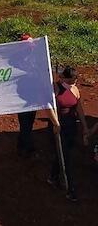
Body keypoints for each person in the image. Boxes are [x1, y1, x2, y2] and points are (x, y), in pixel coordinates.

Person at [48, 66, 88, 202]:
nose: (74, 82)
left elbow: (79, 109)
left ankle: (53, 177)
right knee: (67, 158)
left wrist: (85, 127)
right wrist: (55, 123)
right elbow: (49, 107)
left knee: (65, 154)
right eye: (71, 80)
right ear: (63, 78)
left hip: (71, 127)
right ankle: (71, 189)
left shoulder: (75, 90)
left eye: (75, 79)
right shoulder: (56, 88)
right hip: (59, 127)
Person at [17, 33, 37, 158]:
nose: (30, 49)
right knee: (25, 124)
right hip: (21, 98)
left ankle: (21, 145)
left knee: (29, 123)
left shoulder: (34, 58)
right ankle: (26, 148)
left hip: (33, 96)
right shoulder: (17, 60)